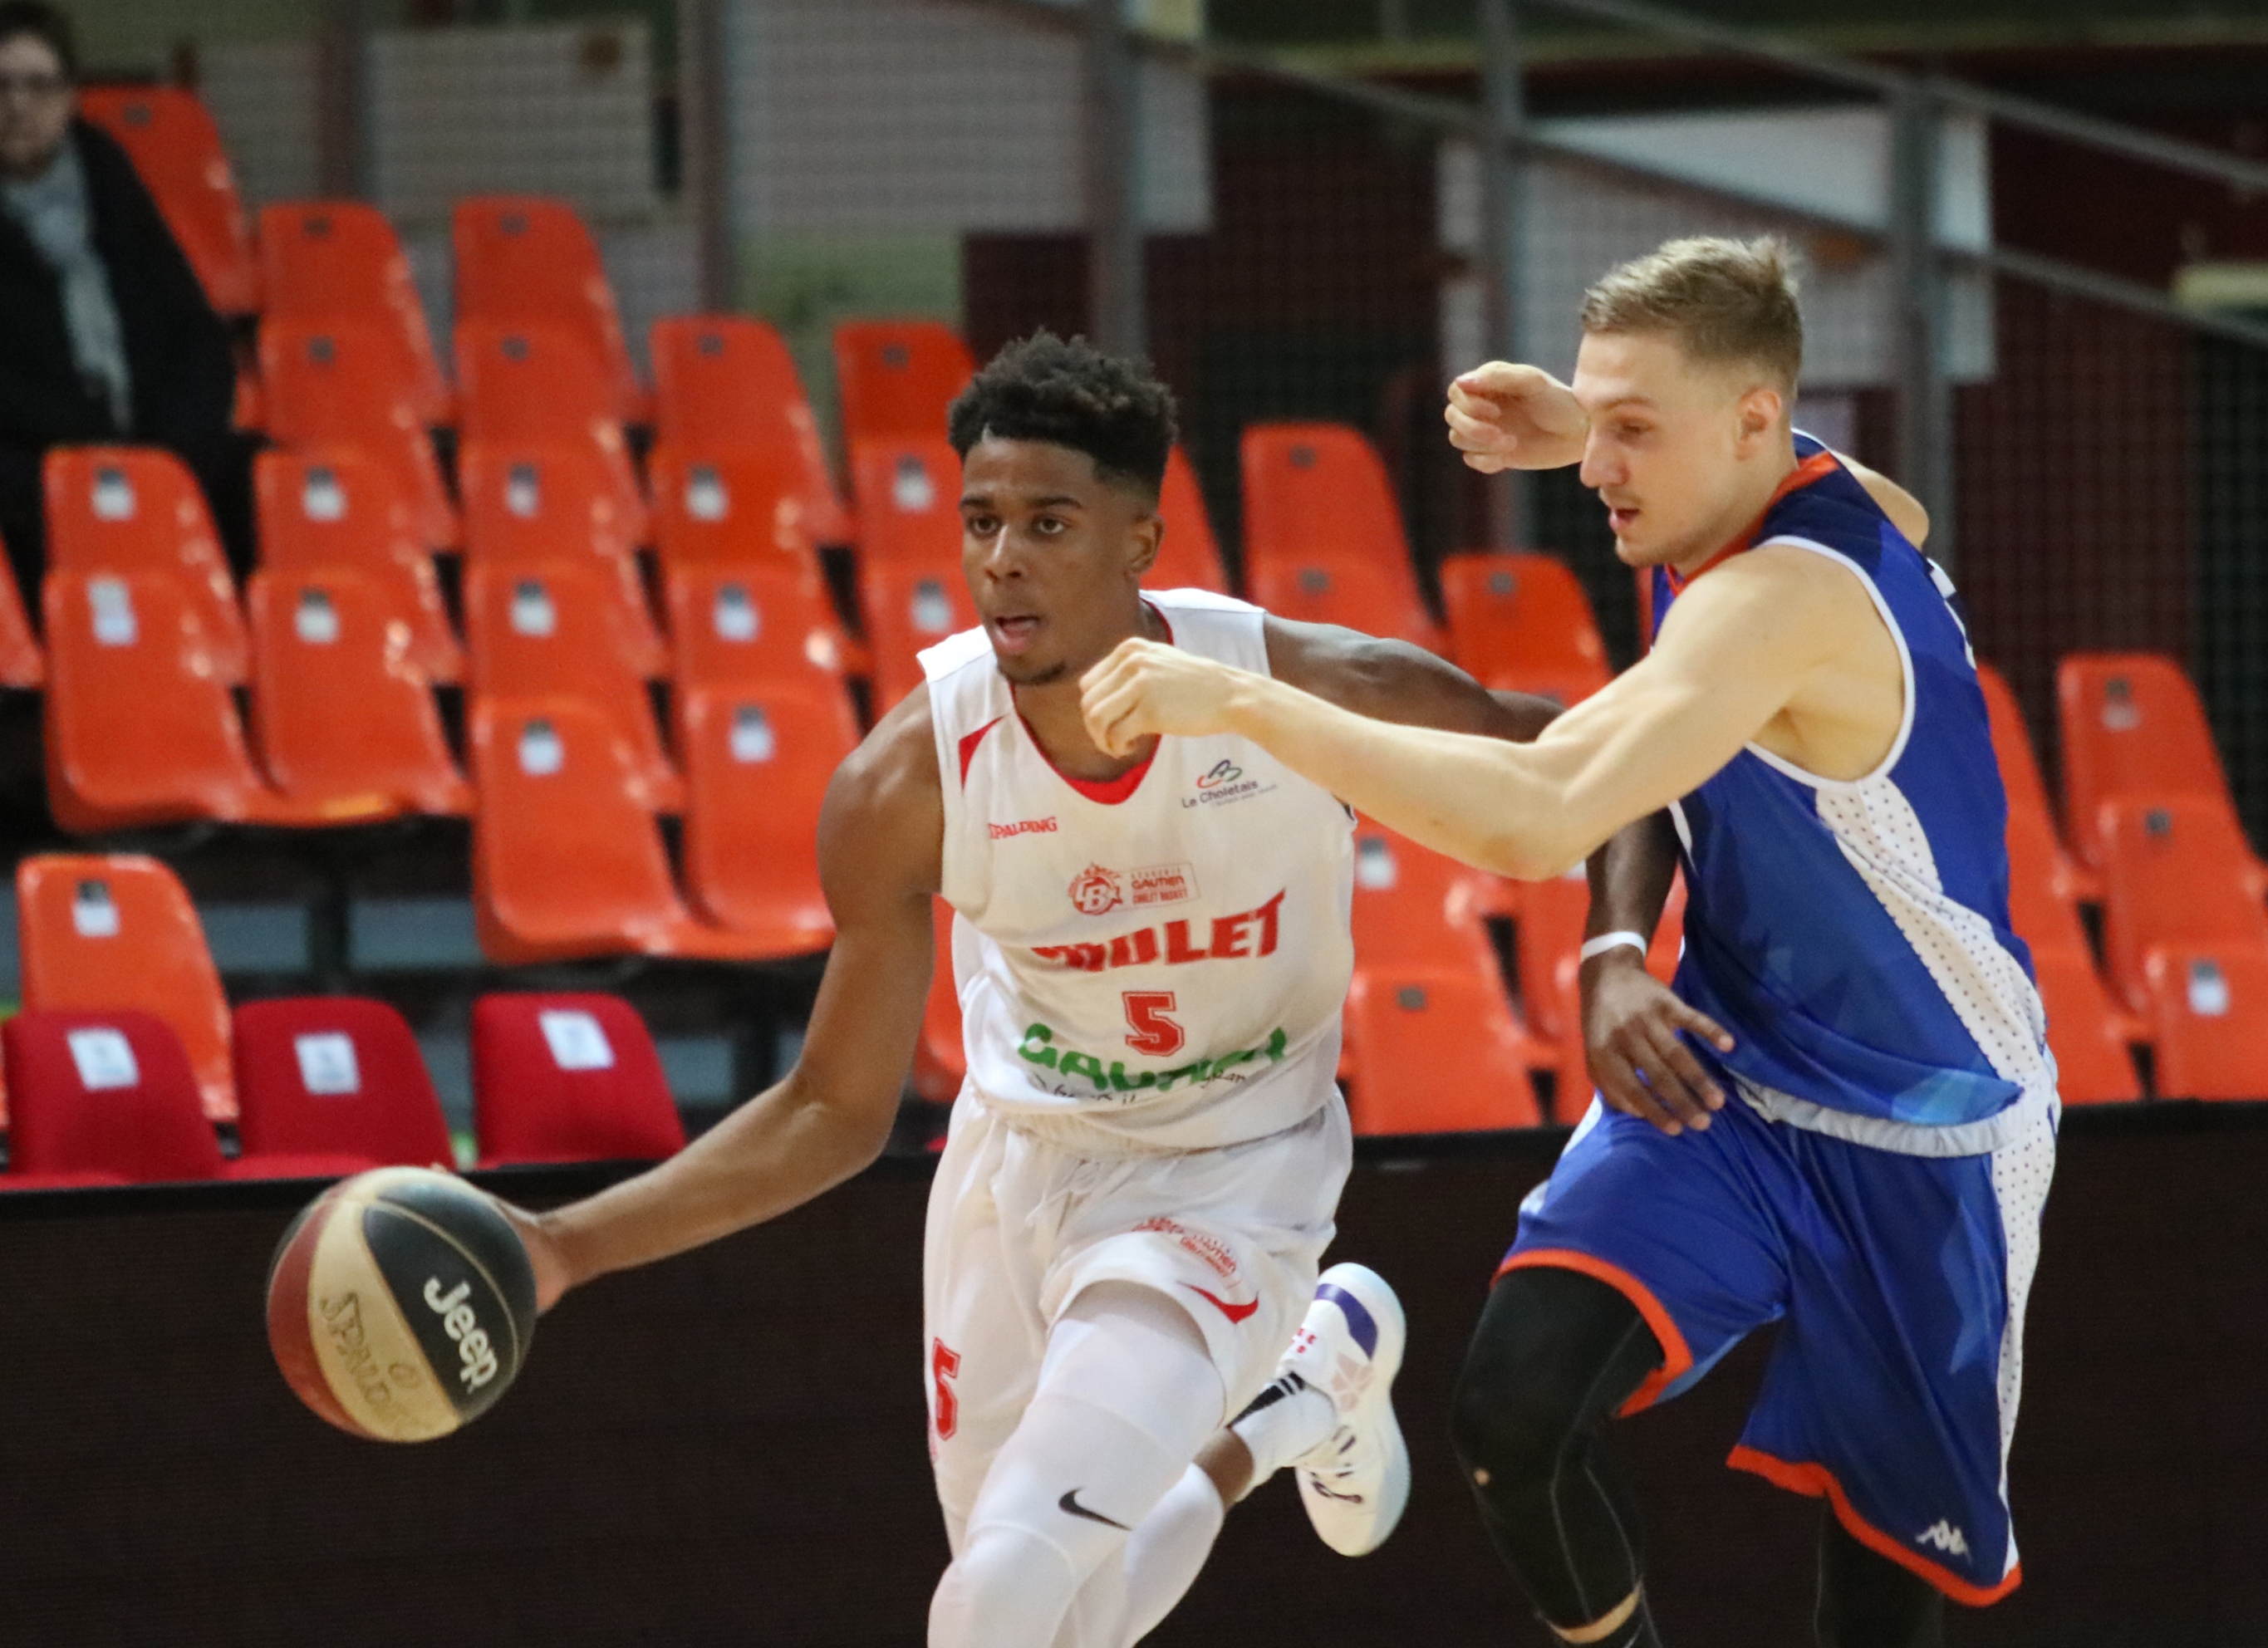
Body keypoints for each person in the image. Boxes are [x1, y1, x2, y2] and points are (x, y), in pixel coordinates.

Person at [502, 332, 1564, 1648]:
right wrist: (559, 1249)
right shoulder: (909, 783)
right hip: (1019, 1175)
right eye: (981, 521)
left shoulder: (1295, 688)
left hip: (1230, 1176)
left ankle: (1287, 1362)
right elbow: (833, 1114)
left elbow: (1579, 763)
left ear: (1139, 540)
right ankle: (1305, 1393)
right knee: (1075, 1621)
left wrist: (1627, 963)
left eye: (1048, 523)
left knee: (998, 1602)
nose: (1003, 557)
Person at [1079, 236, 2058, 1648]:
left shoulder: (1778, 597)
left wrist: (1239, 704)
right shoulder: (1789, 485)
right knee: (1510, 1414)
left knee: (1878, 1594)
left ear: (1746, 422)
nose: (1600, 465)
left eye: (1631, 428)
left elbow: (1542, 812)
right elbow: (1852, 487)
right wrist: (1583, 428)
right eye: (1597, 421)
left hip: (1933, 1129)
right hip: (1731, 1073)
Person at [0, 1, 254, 619]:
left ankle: (250, 679)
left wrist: (164, 459)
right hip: (37, 467)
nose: (17, 105)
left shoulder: (110, 183)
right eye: (1, 86)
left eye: (37, 85)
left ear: (69, 96)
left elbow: (196, 342)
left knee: (264, 478)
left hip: (150, 450)